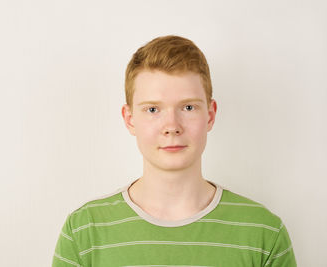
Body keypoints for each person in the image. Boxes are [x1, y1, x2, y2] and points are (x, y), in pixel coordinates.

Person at [52, 35, 297, 266]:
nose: (172, 126)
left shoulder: (264, 234)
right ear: (129, 119)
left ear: (210, 115)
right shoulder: (83, 232)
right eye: (152, 110)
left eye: (188, 107)